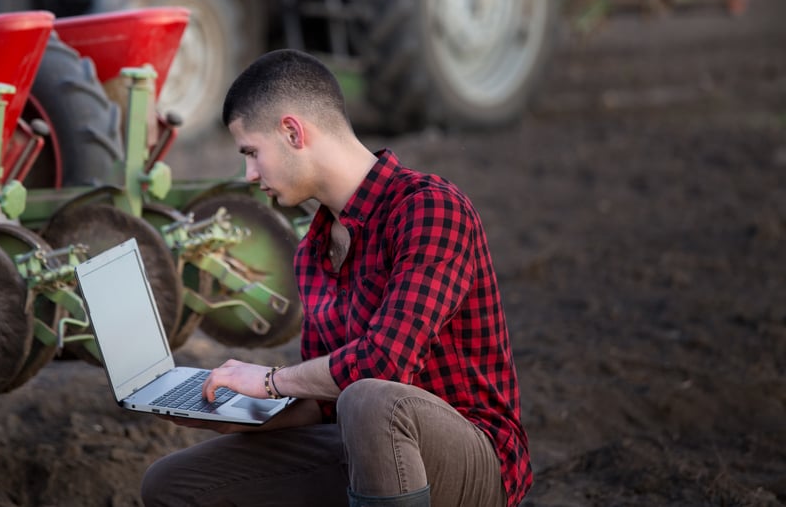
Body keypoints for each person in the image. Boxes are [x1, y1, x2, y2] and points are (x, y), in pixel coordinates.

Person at [141, 49, 532, 507]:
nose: (249, 175)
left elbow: (382, 367)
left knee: (371, 401)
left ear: (292, 131)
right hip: (359, 446)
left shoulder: (430, 208)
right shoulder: (313, 251)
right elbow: (325, 401)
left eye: (251, 152)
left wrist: (269, 381)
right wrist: (238, 412)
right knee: (173, 483)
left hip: (476, 464)